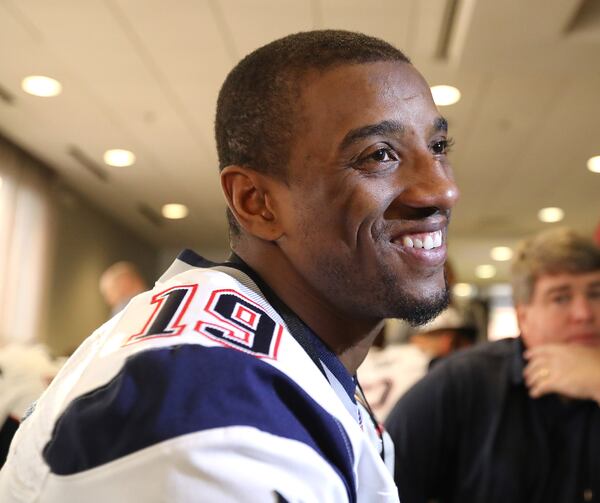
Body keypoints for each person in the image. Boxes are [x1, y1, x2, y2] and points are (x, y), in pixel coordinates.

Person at [0, 30, 458, 502]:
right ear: (256, 201)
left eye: (438, 147)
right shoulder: (212, 420)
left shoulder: (268, 351)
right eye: (380, 155)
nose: (442, 191)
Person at [386, 227, 600, 503]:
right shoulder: (462, 383)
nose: (584, 313)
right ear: (523, 316)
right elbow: (380, 488)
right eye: (560, 297)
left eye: (596, 293)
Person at [358, 307, 475, 421]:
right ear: (449, 341)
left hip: (355, 431)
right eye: (463, 340)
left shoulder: (367, 357)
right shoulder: (433, 368)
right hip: (391, 434)